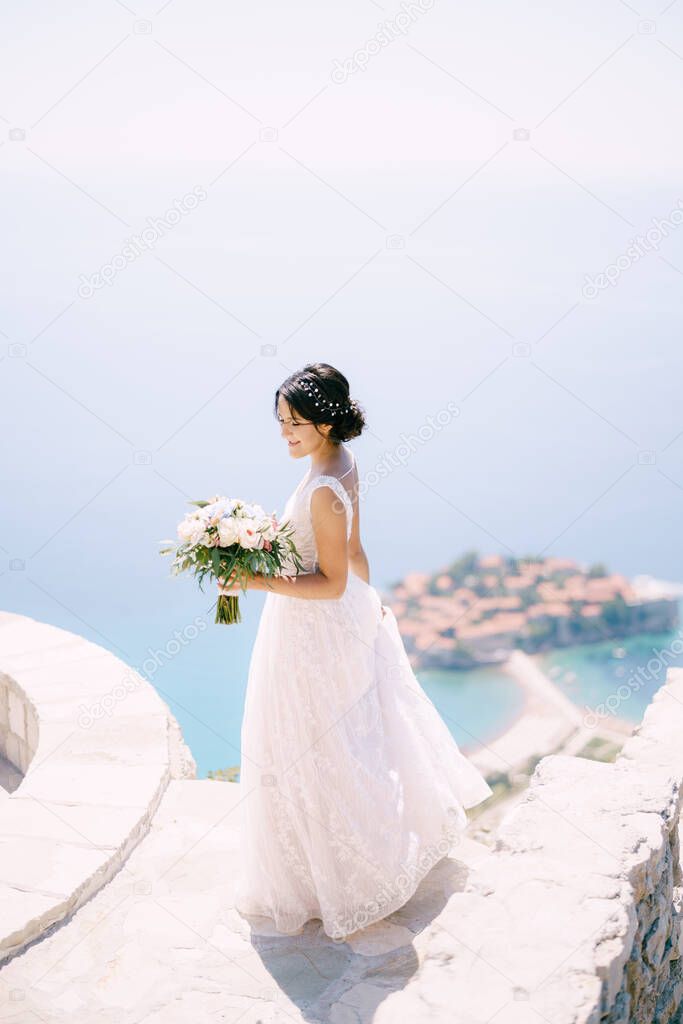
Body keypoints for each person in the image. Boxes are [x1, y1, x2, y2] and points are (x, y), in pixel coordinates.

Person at [218, 362, 493, 940]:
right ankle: (339, 867)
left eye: (294, 423)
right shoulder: (340, 463)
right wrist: (372, 608)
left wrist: (252, 580)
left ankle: (332, 881)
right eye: (280, 422)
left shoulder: (322, 486)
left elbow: (331, 581)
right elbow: (356, 553)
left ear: (324, 421)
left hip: (312, 629)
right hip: (339, 620)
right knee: (343, 744)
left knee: (306, 747)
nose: (284, 432)